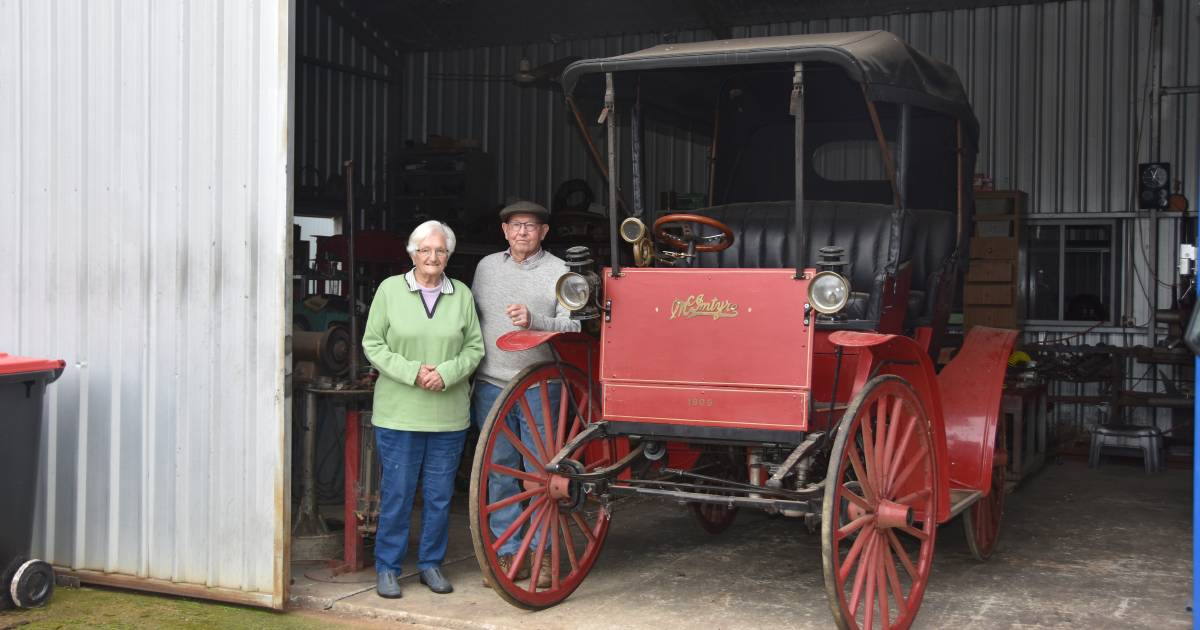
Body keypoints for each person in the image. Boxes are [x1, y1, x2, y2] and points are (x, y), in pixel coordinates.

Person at [362, 220, 484, 599]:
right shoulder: (389, 290)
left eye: (440, 250)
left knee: (439, 495)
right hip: (399, 413)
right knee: (397, 492)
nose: (433, 257)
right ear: (412, 253)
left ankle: (431, 564)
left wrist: (445, 374)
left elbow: (474, 348)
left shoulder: (460, 294)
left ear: (448, 255)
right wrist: (413, 372)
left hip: (447, 415)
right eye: (425, 250)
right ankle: (388, 567)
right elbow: (373, 344)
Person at [471, 200, 580, 589]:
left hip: (539, 385)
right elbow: (471, 320)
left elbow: (574, 328)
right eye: (515, 225)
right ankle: (506, 553)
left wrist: (536, 322)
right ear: (504, 231)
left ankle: (543, 553)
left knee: (540, 476)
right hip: (491, 383)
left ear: (544, 232)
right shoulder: (485, 268)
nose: (522, 232)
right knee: (498, 473)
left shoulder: (559, 272)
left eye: (531, 226)